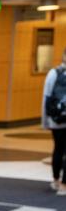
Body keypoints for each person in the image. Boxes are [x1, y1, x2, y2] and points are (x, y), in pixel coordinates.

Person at [42, 47, 66, 195]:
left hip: (56, 119)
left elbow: (47, 97)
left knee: (58, 148)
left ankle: (56, 180)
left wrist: (45, 120)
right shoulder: (54, 73)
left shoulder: (53, 73)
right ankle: (64, 184)